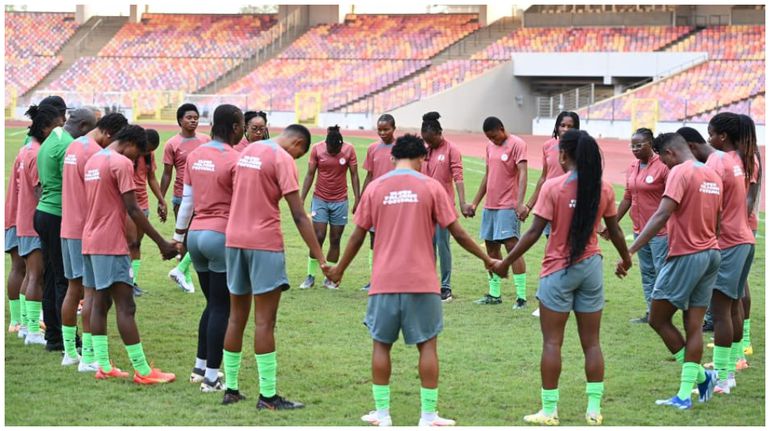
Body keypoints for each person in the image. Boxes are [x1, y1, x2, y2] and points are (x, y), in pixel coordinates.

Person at [323, 134, 499, 427]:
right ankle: (428, 416)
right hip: (423, 282)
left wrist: (340, 268)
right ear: (422, 159)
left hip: (384, 282)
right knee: (427, 347)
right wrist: (487, 258)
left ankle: (382, 415)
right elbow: (457, 232)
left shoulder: (376, 187)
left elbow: (356, 235)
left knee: (381, 346)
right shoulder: (431, 186)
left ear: (393, 157)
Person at [490, 130, 632, 425]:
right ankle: (594, 410)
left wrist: (505, 262)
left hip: (557, 270)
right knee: (592, 343)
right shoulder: (604, 188)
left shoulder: (554, 187)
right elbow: (615, 231)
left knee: (552, 343)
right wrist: (627, 258)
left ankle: (549, 411)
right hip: (591, 267)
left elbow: (531, 233)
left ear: (565, 155)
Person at [221, 124, 325, 408]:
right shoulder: (283, 158)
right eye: (301, 153)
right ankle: (268, 396)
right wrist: (320, 257)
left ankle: (230, 389)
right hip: (263, 242)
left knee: (235, 318)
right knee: (265, 321)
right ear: (298, 144)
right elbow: (299, 215)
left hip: (234, 240)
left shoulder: (248, 151)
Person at [625, 132, 721, 410]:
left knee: (658, 318)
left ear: (669, 153)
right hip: (711, 254)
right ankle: (693, 386)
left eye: (664, 161)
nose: (664, 167)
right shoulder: (711, 173)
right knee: (694, 326)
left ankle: (699, 379)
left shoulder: (679, 171)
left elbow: (662, 213)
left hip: (686, 255)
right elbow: (717, 220)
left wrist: (630, 251)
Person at [83, 124, 178, 383]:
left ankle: (103, 365)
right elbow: (134, 210)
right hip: (110, 243)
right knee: (126, 306)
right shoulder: (121, 163)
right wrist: (162, 243)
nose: (138, 159)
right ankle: (143, 371)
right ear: (132, 143)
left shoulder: (93, 160)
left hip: (89, 240)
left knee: (100, 303)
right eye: (140, 153)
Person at [174, 105, 244, 392]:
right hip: (220, 235)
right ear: (235, 127)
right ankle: (213, 378)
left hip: (196, 236)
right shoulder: (236, 159)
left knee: (212, 305)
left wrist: (179, 236)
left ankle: (200, 367)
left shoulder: (195, 155)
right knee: (222, 308)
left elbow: (186, 201)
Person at [60, 112, 129, 369]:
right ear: (110, 134)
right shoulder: (93, 153)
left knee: (72, 289)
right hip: (86, 228)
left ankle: (70, 352)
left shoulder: (75, 145)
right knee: (91, 294)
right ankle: (88, 357)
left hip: (68, 226)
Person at [695, 114, 755, 394]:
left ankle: (721, 378)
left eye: (710, 134)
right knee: (733, 308)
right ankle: (729, 371)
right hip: (745, 239)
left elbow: (711, 204)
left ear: (721, 137)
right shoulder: (739, 160)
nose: (708, 139)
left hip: (728, 241)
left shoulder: (718, 160)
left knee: (720, 312)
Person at [35, 106, 98, 351]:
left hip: (44, 212)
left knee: (52, 277)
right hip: (58, 215)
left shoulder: (54, 138)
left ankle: (53, 335)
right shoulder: (70, 146)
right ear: (84, 128)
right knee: (66, 281)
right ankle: (68, 339)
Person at [600, 128, 669, 324]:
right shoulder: (632, 167)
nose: (635, 149)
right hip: (639, 230)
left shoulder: (663, 166)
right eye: (632, 146)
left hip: (661, 231)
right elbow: (627, 198)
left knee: (662, 271)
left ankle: (664, 314)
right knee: (647, 272)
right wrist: (611, 223)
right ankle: (652, 312)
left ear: (651, 144)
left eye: (639, 145)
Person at [16, 104, 65, 346]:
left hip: (22, 218)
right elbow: (40, 188)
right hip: (35, 218)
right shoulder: (37, 153)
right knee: (37, 274)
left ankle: (26, 324)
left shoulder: (27, 149)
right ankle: (33, 329)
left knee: (29, 273)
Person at [470, 116, 528, 309]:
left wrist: (520, 203)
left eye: (495, 136)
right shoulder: (489, 146)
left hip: (508, 206)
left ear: (502, 129)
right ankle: (494, 294)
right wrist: (476, 203)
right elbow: (488, 174)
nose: (493, 140)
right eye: (490, 138)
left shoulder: (517, 144)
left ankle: (521, 297)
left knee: (513, 248)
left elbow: (523, 174)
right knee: (491, 249)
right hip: (490, 206)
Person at [299, 125, 360, 289]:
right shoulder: (317, 149)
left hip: (340, 201)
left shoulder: (349, 150)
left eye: (336, 150)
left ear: (341, 145)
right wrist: (301, 198)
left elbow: (354, 175)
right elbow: (310, 174)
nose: (333, 152)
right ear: (326, 144)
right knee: (318, 236)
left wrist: (357, 199)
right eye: (330, 149)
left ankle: (330, 278)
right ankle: (310, 276)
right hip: (320, 199)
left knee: (335, 239)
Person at [420, 112, 472, 303]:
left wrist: (463, 202)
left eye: (431, 140)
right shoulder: (424, 150)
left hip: (443, 207)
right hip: (425, 207)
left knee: (443, 247)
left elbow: (458, 177)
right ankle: (429, 283)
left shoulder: (451, 150)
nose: (429, 144)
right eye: (426, 141)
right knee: (426, 246)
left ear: (439, 133)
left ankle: (445, 286)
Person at [160, 103, 210, 293]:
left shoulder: (206, 140)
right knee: (186, 239)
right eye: (189, 117)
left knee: (195, 239)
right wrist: (161, 199)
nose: (193, 120)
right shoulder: (172, 144)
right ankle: (184, 274)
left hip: (205, 196)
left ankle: (181, 271)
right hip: (181, 197)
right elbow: (166, 174)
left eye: (196, 117)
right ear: (180, 120)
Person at [522, 111, 579, 238]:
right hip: (550, 202)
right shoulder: (548, 146)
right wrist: (528, 206)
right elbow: (544, 178)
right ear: (557, 127)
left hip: (570, 203)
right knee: (551, 242)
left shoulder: (582, 146)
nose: (565, 129)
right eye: (562, 125)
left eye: (570, 127)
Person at [126, 129, 167, 297]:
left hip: (142, 205)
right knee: (126, 244)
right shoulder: (127, 155)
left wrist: (161, 199)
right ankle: (123, 282)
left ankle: (132, 281)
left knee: (136, 244)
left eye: (150, 149)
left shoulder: (148, 155)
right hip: (127, 205)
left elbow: (151, 178)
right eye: (146, 148)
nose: (147, 152)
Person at [359, 114, 397, 290]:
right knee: (374, 240)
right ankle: (374, 278)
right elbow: (369, 175)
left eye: (386, 129)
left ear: (393, 128)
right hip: (376, 202)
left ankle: (392, 277)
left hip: (395, 201)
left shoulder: (400, 149)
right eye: (379, 129)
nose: (382, 133)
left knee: (394, 240)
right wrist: (362, 198)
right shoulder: (373, 148)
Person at [737, 114, 761, 360]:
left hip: (742, 227)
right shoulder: (747, 155)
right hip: (742, 226)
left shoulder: (748, 158)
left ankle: (744, 340)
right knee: (738, 283)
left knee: (740, 283)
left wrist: (736, 224)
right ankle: (740, 338)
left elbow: (750, 199)